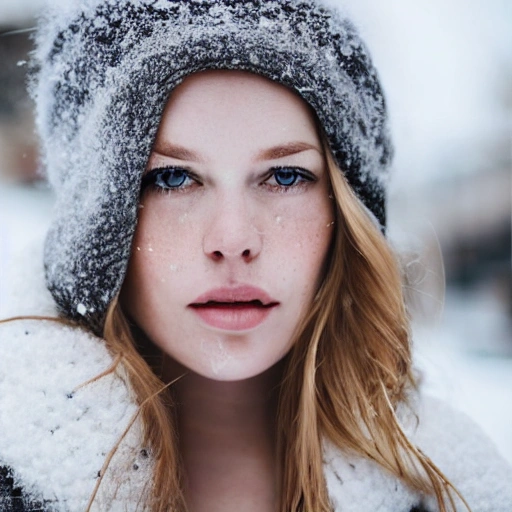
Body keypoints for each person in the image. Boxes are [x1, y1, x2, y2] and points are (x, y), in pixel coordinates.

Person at [0, 1, 511, 511]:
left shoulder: (453, 492)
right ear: (96, 229)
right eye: (173, 178)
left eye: (286, 176)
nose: (233, 237)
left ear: (347, 213)